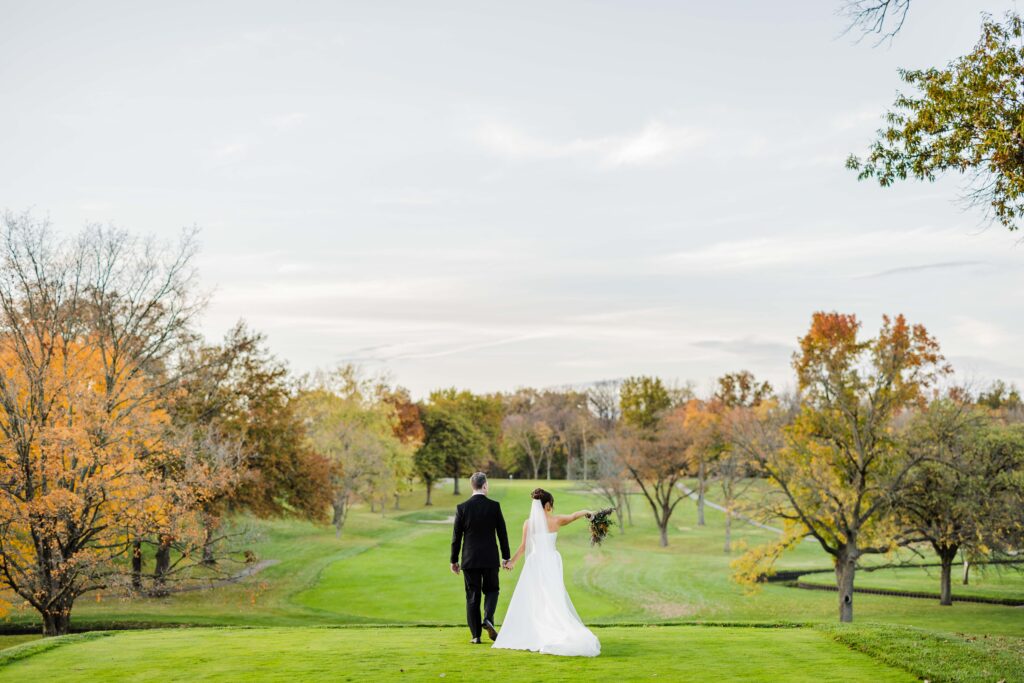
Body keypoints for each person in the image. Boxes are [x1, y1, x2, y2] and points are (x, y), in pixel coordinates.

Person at [492, 488, 601, 657]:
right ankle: (552, 627)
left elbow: (523, 547)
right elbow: (573, 515)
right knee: (553, 596)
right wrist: (587, 512)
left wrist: (512, 562)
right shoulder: (556, 520)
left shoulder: (529, 523)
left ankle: (538, 629)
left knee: (536, 597)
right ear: (548, 504)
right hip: (551, 561)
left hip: (535, 563)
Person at [450, 472, 511, 644]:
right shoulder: (494, 506)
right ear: (484, 486)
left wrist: (453, 560)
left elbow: (456, 537)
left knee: (472, 596)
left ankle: (476, 636)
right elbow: (502, 534)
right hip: (490, 558)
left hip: (469, 560)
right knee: (492, 590)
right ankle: (488, 619)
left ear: (472, 486)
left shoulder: (462, 508)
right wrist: (506, 557)